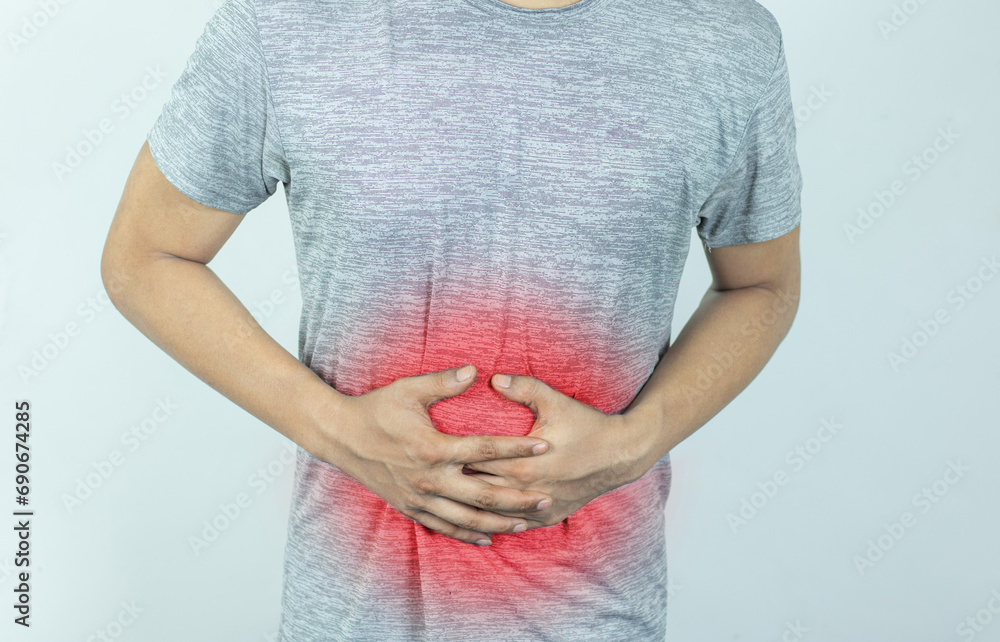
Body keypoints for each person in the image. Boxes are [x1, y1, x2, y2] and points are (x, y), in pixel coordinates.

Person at [101, 0, 802, 638]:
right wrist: (340, 431)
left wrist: (633, 444)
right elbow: (146, 258)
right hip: (354, 611)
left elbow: (760, 286)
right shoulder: (284, 21)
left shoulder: (725, 40)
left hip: (596, 610)